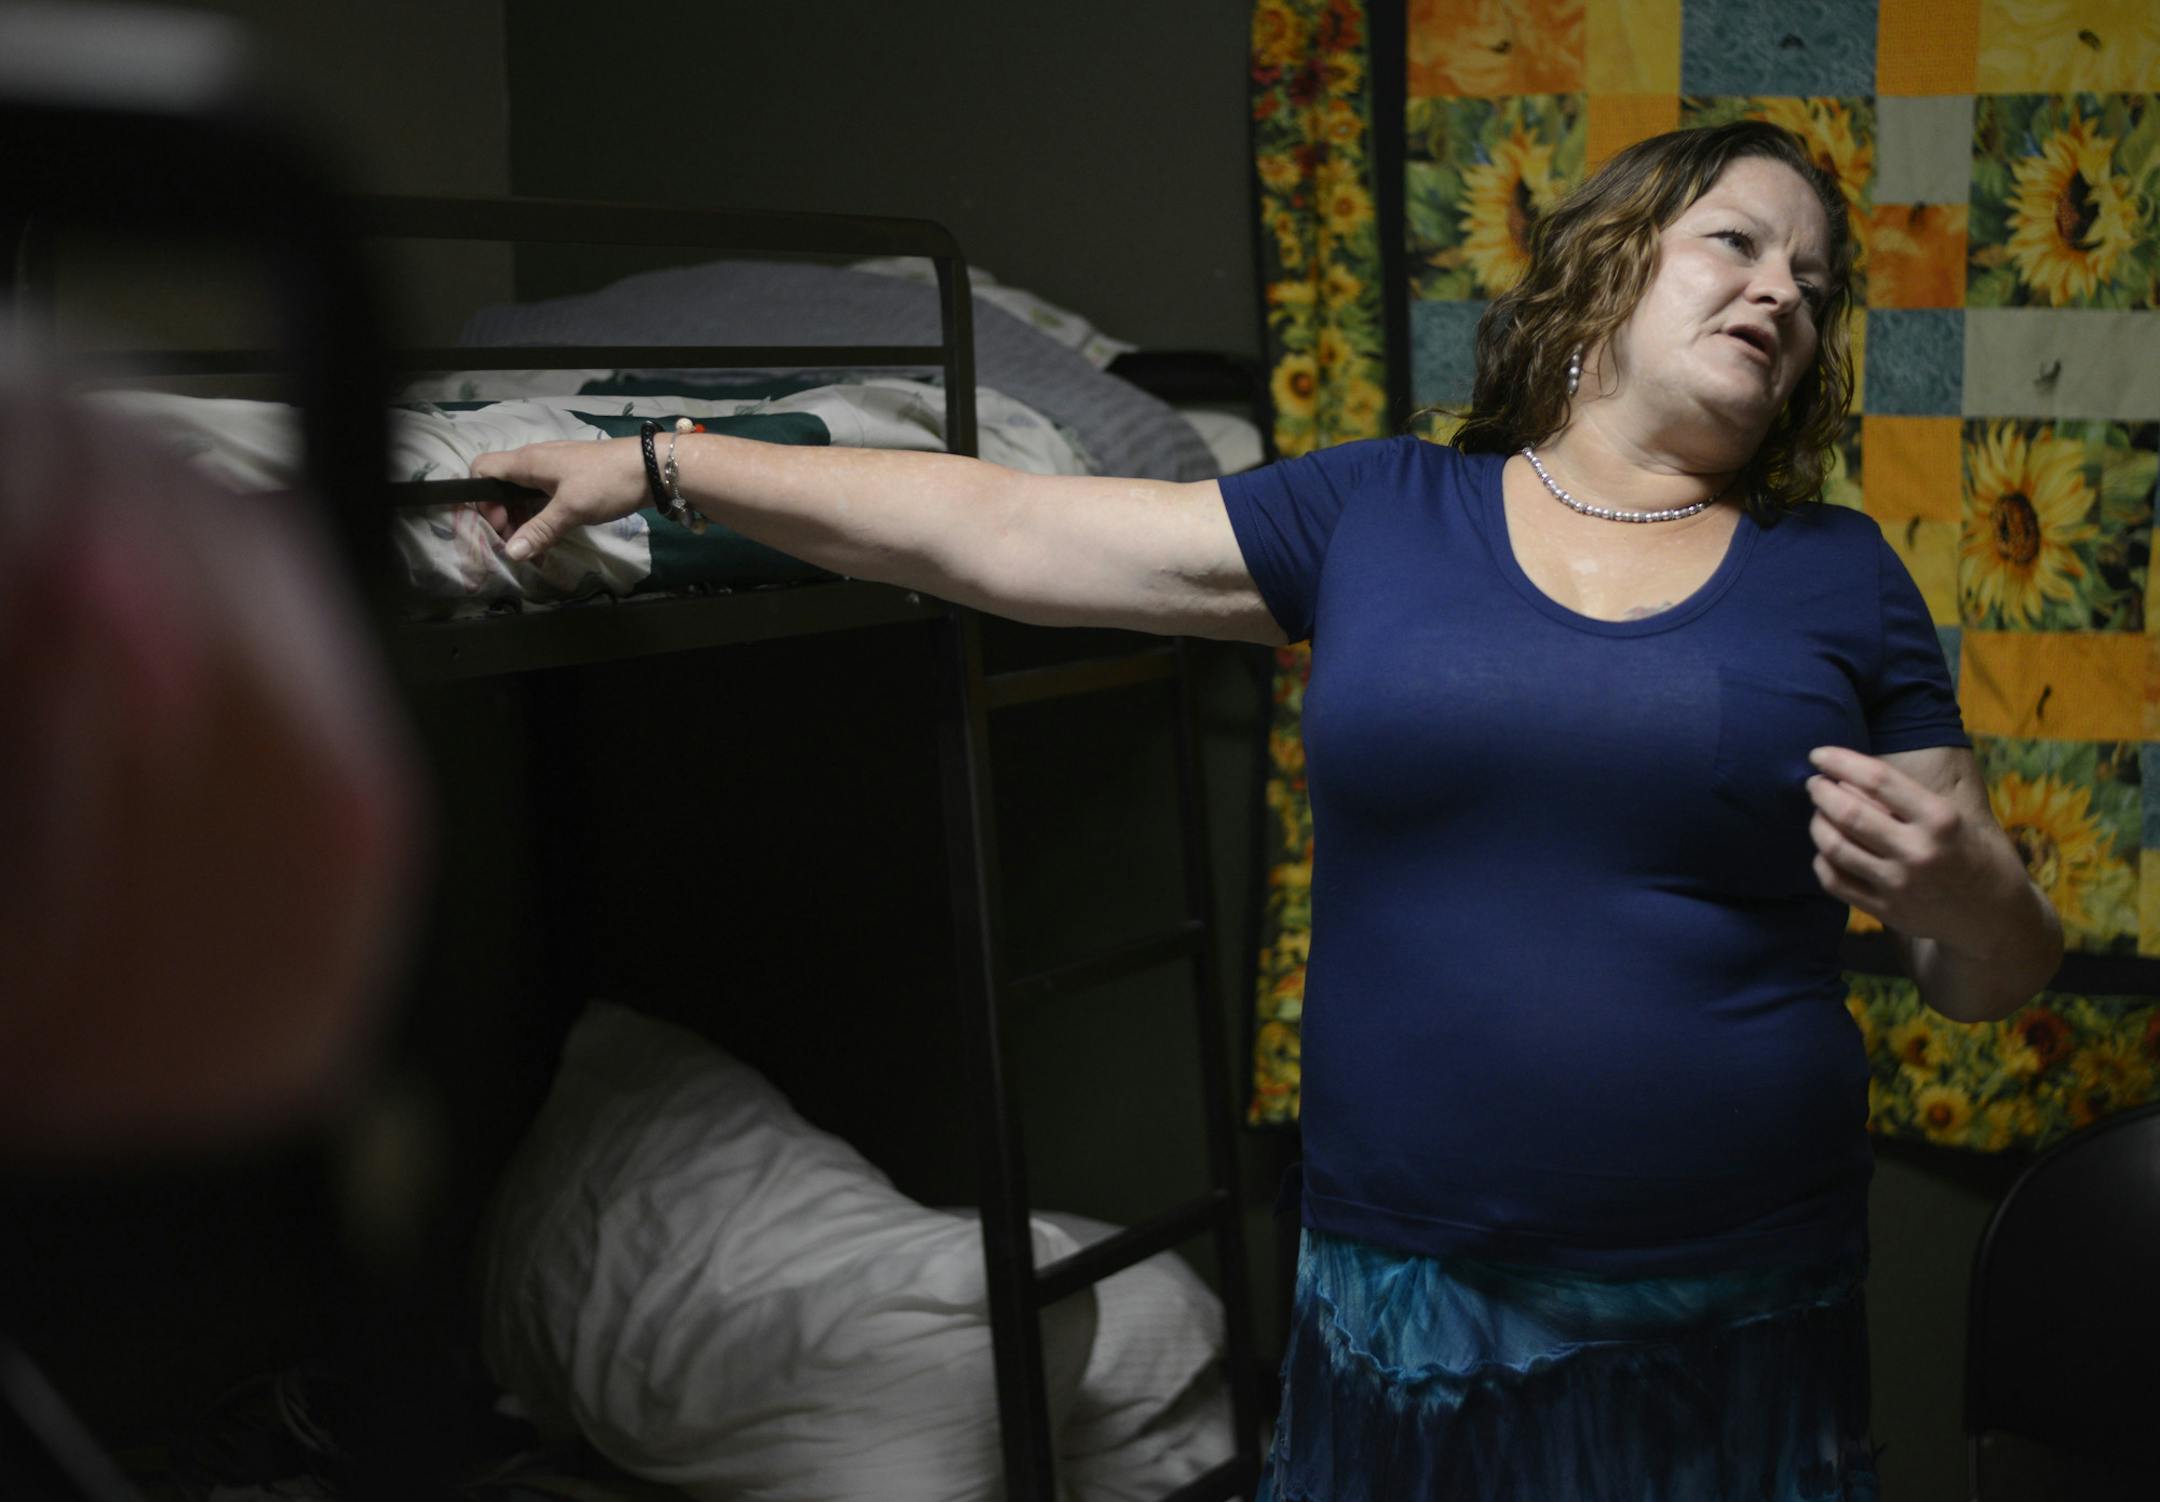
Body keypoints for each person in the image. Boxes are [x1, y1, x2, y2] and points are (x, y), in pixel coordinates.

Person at [472, 121, 2062, 1501]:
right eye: (1739, 240)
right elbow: (994, 523)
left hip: (1735, 1303)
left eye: (1816, 277)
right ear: (1610, 267)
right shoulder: (1378, 511)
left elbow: (1985, 973)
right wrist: (669, 462)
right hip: (1413, 1292)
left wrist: (1979, 897)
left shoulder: (1840, 576)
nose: (1785, 286)